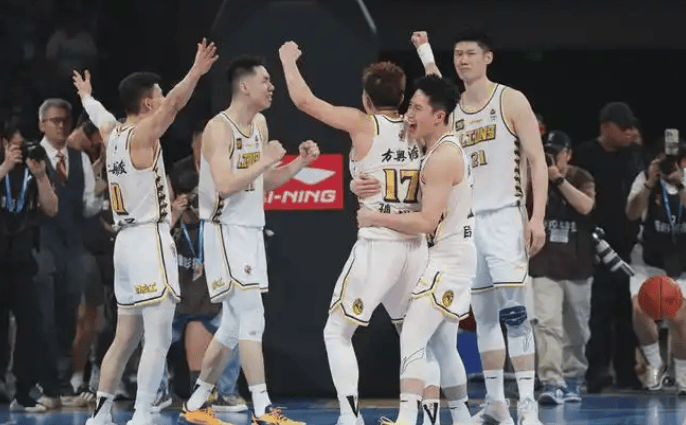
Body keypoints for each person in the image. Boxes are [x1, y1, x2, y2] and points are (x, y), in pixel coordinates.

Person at [279, 41, 428, 425]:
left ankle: (350, 417)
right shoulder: (420, 128)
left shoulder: (363, 124)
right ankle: (418, 416)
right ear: (403, 97)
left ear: (366, 99)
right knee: (416, 337)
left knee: (337, 331)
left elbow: (305, 101)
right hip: (416, 244)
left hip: (380, 243)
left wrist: (287, 61)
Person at [73, 38, 218, 425]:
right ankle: (141, 414)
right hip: (150, 241)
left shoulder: (112, 133)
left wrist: (86, 96)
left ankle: (101, 413)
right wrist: (196, 71)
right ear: (149, 103)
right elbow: (176, 103)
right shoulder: (143, 135)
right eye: (159, 94)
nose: (163, 98)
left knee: (125, 335)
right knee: (157, 336)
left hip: (124, 245)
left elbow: (99, 114)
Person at [412, 30, 547, 425]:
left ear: (488, 57)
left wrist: (537, 217)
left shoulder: (510, 100)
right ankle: (496, 403)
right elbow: (435, 80)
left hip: (505, 218)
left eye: (471, 53)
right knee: (484, 318)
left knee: (515, 314)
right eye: (457, 54)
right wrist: (424, 50)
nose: (463, 59)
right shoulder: (451, 110)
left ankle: (528, 405)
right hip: (469, 225)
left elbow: (537, 161)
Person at [182, 54, 319, 425]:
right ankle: (263, 408)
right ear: (245, 86)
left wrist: (298, 164)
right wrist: (265, 160)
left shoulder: (259, 123)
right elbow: (225, 185)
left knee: (231, 326)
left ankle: (195, 403)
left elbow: (263, 183)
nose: (272, 86)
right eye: (265, 80)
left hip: (250, 230)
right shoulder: (218, 129)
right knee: (252, 318)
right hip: (225, 231)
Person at [356, 74, 474, 425]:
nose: (409, 114)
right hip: (449, 254)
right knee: (442, 345)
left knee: (413, 335)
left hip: (449, 258)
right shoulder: (433, 146)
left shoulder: (443, 157)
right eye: (410, 106)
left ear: (439, 116)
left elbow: (425, 221)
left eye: (418, 108)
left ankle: (408, 418)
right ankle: (462, 417)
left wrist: (374, 217)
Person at [575, 102, 644, 393]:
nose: (629, 132)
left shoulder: (634, 155)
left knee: (627, 312)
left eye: (631, 127)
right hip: (596, 244)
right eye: (623, 127)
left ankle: (627, 373)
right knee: (598, 312)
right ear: (605, 127)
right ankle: (596, 372)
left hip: (628, 245)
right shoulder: (585, 154)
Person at [529, 131, 595, 404]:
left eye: (556, 152)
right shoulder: (533, 176)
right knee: (547, 325)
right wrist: (543, 176)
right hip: (544, 264)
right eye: (548, 151)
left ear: (568, 154)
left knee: (577, 330)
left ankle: (574, 377)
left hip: (578, 265)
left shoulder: (581, 176)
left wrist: (557, 178)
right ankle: (552, 380)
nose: (552, 156)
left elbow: (586, 206)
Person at [0, 120, 58, 412]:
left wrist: (41, 176)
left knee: (30, 326)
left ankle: (23, 393)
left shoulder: (34, 169)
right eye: (16, 145)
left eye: (24, 146)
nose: (21, 151)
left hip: (23, 262)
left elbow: (52, 208)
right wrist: (4, 167)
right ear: (3, 143)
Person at [625, 142, 686, 394]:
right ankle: (655, 364)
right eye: (662, 160)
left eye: (672, 160)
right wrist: (650, 184)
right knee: (640, 308)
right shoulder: (645, 179)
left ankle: (682, 375)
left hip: (681, 262)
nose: (667, 165)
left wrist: (680, 185)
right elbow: (631, 213)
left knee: (678, 318)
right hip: (648, 261)